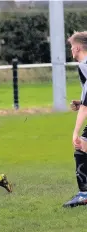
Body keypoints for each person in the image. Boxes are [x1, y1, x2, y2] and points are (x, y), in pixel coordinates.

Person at [67, 31, 87, 208]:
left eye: (72, 46)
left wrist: (75, 132)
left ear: (78, 47)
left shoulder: (85, 66)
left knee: (80, 145)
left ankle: (84, 195)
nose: (71, 49)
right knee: (83, 148)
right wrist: (81, 102)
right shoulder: (83, 65)